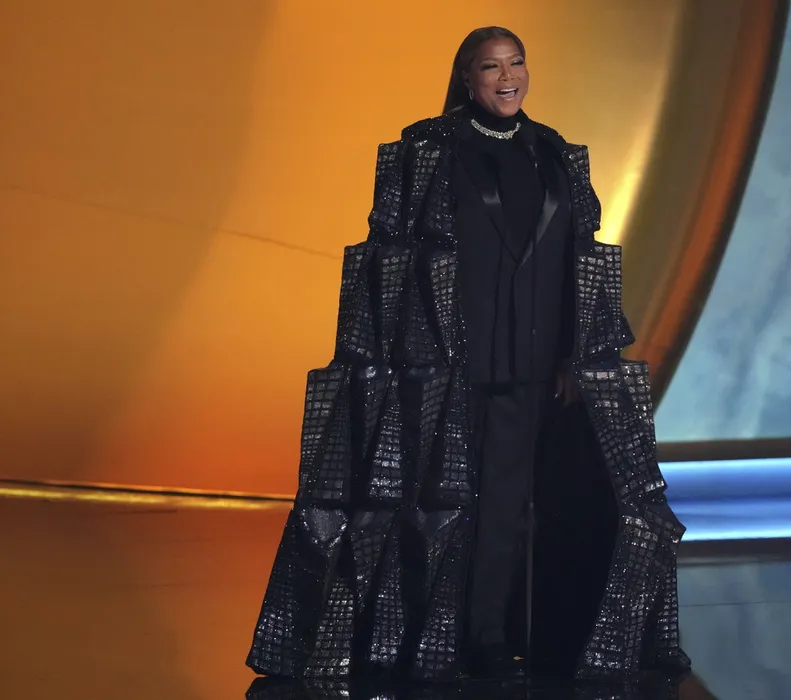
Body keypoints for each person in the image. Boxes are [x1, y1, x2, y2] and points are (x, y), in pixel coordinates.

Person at [246, 26, 690, 683]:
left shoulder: (555, 155)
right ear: (467, 77)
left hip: (530, 365)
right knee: (431, 504)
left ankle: (487, 638)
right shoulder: (428, 149)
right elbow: (389, 259)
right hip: (440, 367)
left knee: (507, 505)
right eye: (491, 67)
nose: (508, 78)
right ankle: (416, 640)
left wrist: (576, 355)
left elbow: (581, 262)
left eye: (517, 63)